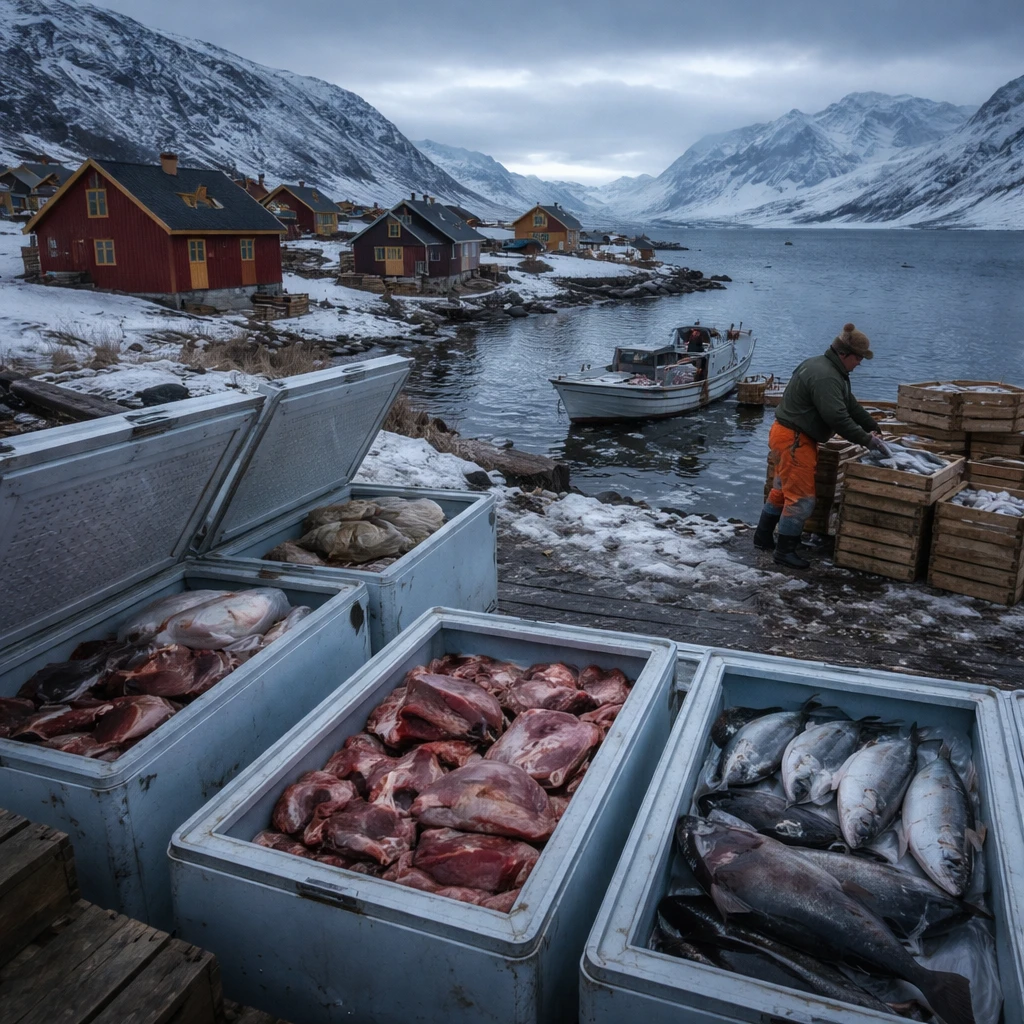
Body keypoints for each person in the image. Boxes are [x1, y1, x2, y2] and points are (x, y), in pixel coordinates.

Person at [754, 322, 887, 569]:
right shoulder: (827, 376)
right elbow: (837, 417)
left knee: (782, 490)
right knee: (801, 499)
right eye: (858, 358)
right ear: (844, 354)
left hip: (786, 435)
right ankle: (785, 552)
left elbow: (850, 405)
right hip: (795, 441)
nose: (859, 363)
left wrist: (872, 426)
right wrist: (867, 440)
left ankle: (763, 538)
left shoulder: (824, 367)